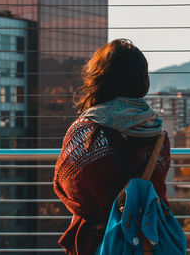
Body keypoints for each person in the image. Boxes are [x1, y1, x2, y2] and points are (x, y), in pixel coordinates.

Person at [53, 39, 171, 255]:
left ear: (98, 80)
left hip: (99, 241)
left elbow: (65, 186)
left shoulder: (85, 132)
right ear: (142, 79)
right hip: (147, 241)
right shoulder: (158, 133)